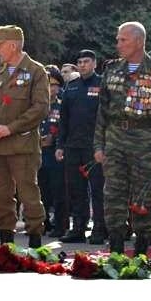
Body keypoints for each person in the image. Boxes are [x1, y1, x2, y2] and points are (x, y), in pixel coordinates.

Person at [94, 22, 151, 257]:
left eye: (123, 40)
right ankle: (116, 250)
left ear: (139, 41)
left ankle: (141, 251)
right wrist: (98, 145)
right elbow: (102, 112)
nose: (118, 44)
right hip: (114, 140)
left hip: (144, 142)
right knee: (113, 195)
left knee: (143, 196)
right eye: (118, 39)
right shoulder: (112, 70)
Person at [0, 25, 49, 249]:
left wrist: (11, 128)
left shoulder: (36, 71)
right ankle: (6, 242)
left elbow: (40, 108)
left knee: (28, 194)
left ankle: (35, 242)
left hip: (23, 146)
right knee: (0, 196)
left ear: (13, 45)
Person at [56, 49, 104, 244]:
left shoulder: (102, 84)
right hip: (73, 146)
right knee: (76, 189)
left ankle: (100, 229)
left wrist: (104, 145)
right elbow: (64, 119)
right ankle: (78, 228)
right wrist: (61, 145)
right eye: (80, 62)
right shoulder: (72, 86)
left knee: (98, 190)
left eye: (86, 61)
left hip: (94, 147)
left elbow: (107, 117)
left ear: (94, 63)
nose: (83, 65)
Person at [39, 65, 66, 237]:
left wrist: (54, 140)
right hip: (38, 152)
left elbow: (66, 127)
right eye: (47, 85)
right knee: (41, 190)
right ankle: (43, 222)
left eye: (53, 85)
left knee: (58, 190)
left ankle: (60, 225)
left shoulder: (63, 104)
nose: (50, 89)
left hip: (56, 153)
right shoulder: (36, 104)